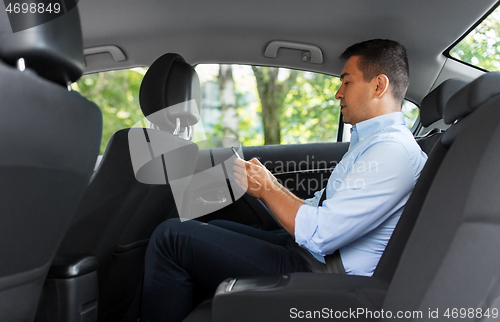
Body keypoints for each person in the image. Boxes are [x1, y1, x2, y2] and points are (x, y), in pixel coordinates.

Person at [140, 39, 428, 322]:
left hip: (323, 275)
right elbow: (319, 210)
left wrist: (266, 187)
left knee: (171, 238)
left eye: (346, 82)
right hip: (311, 256)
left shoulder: (392, 152)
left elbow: (321, 234)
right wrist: (270, 185)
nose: (338, 94)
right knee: (204, 228)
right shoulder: (374, 143)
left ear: (379, 85)